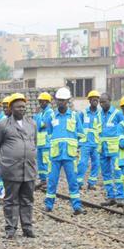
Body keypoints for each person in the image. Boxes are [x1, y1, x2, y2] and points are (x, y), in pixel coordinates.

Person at [0, 93, 37, 238]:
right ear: (11, 108)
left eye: (23, 107)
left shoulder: (32, 123)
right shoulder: (2, 124)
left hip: (28, 168)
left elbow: (34, 143)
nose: (21, 109)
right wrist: (5, 161)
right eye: (18, 107)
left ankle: (27, 228)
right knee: (10, 200)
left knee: (27, 199)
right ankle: (10, 229)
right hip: (11, 169)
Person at [44, 87, 85, 215]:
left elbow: (81, 134)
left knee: (73, 181)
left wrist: (78, 147)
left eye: (63, 100)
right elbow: (49, 132)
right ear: (56, 101)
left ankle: (77, 206)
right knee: (52, 181)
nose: (61, 102)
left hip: (70, 155)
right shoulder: (51, 116)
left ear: (68, 101)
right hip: (55, 155)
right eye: (59, 100)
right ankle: (48, 206)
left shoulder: (74, 116)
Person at [99, 93, 124, 206]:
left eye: (104, 102)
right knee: (106, 173)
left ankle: (120, 197)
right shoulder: (99, 114)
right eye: (100, 102)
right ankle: (110, 196)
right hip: (103, 149)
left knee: (117, 172)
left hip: (115, 149)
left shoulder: (117, 114)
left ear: (110, 100)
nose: (101, 104)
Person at [77, 90, 102, 190]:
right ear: (89, 101)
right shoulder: (83, 113)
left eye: (97, 99)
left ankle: (92, 183)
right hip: (85, 143)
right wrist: (77, 141)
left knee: (96, 163)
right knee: (83, 163)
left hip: (96, 143)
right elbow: (78, 126)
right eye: (93, 99)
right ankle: (78, 182)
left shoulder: (100, 114)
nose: (95, 101)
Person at [34, 92, 53, 189]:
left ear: (47, 102)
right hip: (40, 143)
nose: (41, 103)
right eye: (40, 101)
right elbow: (35, 125)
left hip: (46, 143)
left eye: (42, 101)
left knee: (46, 162)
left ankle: (47, 181)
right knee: (40, 163)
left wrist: (38, 121)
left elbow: (43, 125)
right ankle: (43, 180)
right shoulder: (41, 113)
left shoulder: (50, 113)